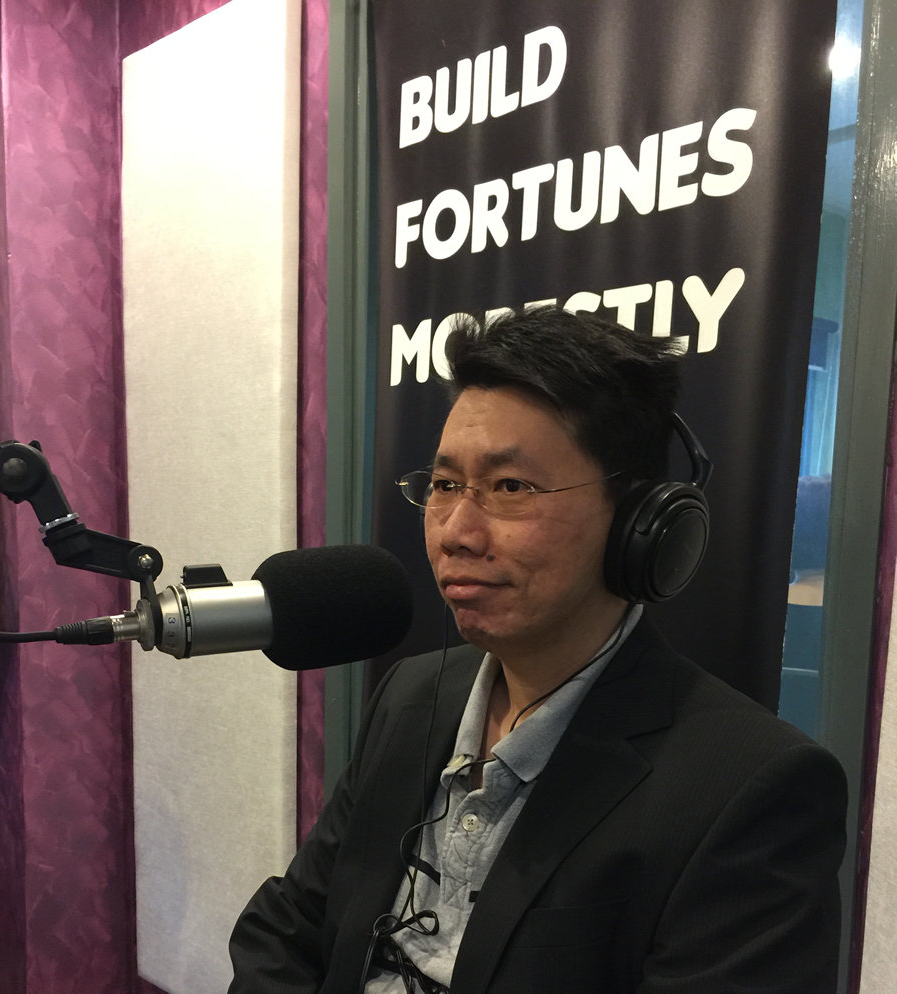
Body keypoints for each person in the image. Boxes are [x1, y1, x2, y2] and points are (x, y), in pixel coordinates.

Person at [227, 305, 847, 993]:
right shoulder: (411, 694)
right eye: (445, 485)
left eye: (510, 487)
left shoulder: (751, 791)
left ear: (638, 522)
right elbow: (290, 925)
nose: (456, 532)